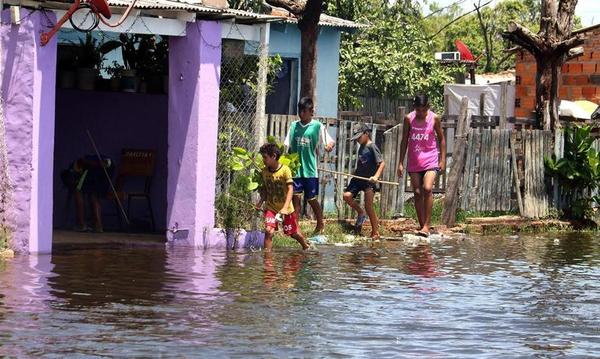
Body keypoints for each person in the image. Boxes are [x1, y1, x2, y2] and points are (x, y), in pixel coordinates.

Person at [397, 94, 446, 237]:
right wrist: (400, 162)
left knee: (427, 188)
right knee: (417, 193)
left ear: (427, 108)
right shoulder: (409, 118)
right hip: (414, 161)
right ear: (414, 108)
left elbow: (441, 139)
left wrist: (442, 159)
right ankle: (421, 225)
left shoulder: (434, 118)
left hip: (430, 159)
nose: (420, 113)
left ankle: (427, 225)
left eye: (423, 110)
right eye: (418, 110)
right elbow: (404, 140)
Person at [284, 97, 335, 234]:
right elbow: (286, 146)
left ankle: (320, 223)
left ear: (311, 111)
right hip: (295, 170)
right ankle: (296, 228)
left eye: (304, 111)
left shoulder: (318, 126)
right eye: (300, 111)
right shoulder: (294, 126)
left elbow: (330, 142)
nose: (302, 114)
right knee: (296, 199)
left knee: (311, 199)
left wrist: (329, 146)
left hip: (310, 170)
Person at [256, 143, 310, 252]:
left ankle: (306, 246)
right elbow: (266, 189)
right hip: (271, 207)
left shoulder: (285, 170)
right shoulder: (264, 171)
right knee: (268, 231)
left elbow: (290, 189)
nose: (263, 160)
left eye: (265, 157)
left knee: (293, 233)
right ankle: (268, 259)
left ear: (274, 156)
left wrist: (285, 208)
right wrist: (260, 202)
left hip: (287, 209)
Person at [342, 124, 385, 240]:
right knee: (346, 196)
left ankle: (375, 232)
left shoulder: (372, 147)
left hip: (369, 181)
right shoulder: (361, 145)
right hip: (358, 178)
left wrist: (376, 176)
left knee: (369, 206)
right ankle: (361, 213)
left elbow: (381, 163)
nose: (358, 139)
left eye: (359, 137)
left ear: (366, 134)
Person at [62, 154, 114, 233]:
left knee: (78, 192)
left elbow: (84, 163)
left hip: (99, 167)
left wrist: (96, 164)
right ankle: (98, 226)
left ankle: (81, 224)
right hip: (107, 167)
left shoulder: (76, 166)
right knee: (94, 195)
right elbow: (107, 163)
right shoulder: (84, 165)